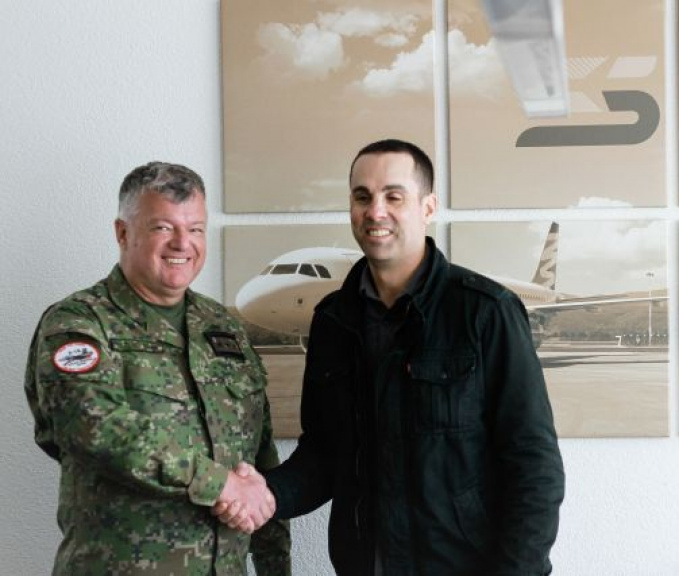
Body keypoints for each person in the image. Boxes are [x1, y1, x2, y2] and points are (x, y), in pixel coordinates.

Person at [216, 140, 565, 575]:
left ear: (428, 207)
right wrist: (267, 493)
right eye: (362, 196)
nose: (375, 211)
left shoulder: (485, 311)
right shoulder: (333, 320)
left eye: (393, 196)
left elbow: (534, 466)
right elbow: (325, 456)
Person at [24, 161, 291, 575]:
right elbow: (93, 427)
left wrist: (276, 564)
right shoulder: (80, 322)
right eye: (163, 227)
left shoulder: (224, 328)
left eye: (195, 228)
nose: (182, 243)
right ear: (123, 233)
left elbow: (259, 455)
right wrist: (218, 483)